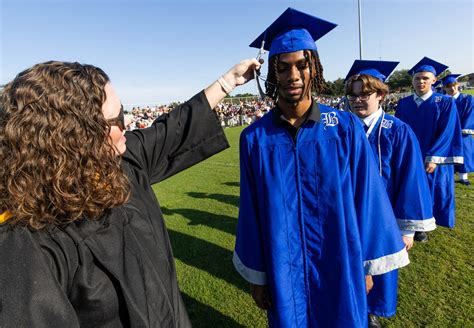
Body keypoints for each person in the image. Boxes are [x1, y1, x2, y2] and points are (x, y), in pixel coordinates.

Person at [0, 58, 261, 327]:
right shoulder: (31, 244)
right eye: (117, 119)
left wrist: (228, 82)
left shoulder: (125, 163)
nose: (127, 126)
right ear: (74, 135)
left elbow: (174, 127)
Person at [233, 8, 409, 327]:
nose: (293, 75)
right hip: (284, 269)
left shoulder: (343, 129)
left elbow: (367, 198)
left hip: (340, 260)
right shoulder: (255, 139)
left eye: (302, 65)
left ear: (314, 68)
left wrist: (368, 266)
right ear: (272, 74)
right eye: (283, 68)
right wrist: (257, 275)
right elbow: (251, 212)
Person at [345, 60, 436, 327]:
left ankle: (371, 313)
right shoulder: (341, 130)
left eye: (365, 94)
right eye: (353, 95)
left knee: (380, 268)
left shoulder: (398, 131)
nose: (358, 100)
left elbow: (411, 180)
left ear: (381, 95)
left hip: (385, 217)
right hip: (348, 213)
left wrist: (407, 228)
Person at [395, 57, 463, 234]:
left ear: (434, 80)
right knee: (410, 188)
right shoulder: (404, 104)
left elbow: (448, 131)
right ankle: (412, 224)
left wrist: (433, 157)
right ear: (412, 80)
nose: (421, 81)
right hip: (409, 154)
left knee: (432, 189)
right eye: (417, 78)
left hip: (432, 156)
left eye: (425, 78)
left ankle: (424, 226)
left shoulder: (445, 102)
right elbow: (398, 131)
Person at [441, 74, 474, 185]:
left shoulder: (467, 99)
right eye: (448, 86)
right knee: (446, 154)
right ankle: (448, 176)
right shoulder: (441, 100)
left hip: (461, 132)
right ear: (444, 88)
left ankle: (463, 177)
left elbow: (470, 114)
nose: (452, 88)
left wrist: (462, 129)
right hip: (445, 133)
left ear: (458, 85)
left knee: (463, 153)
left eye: (454, 85)